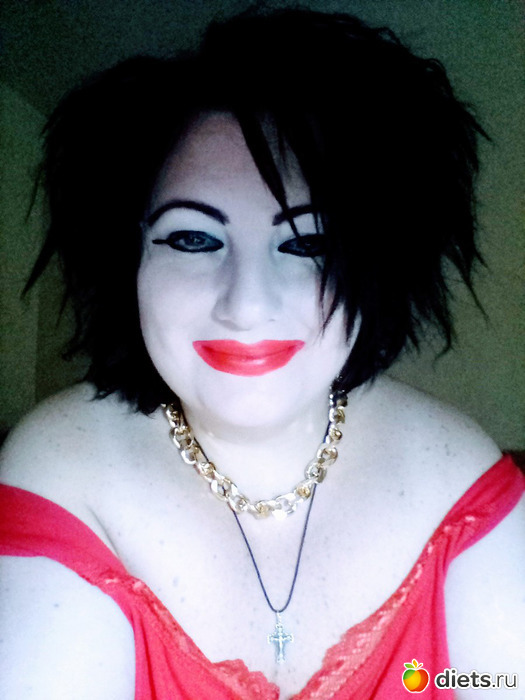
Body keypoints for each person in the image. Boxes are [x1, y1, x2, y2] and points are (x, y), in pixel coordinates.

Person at [0, 7, 523, 699]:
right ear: (126, 260)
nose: (246, 305)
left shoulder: (460, 481)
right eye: (193, 238)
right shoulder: (64, 467)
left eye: (307, 243)